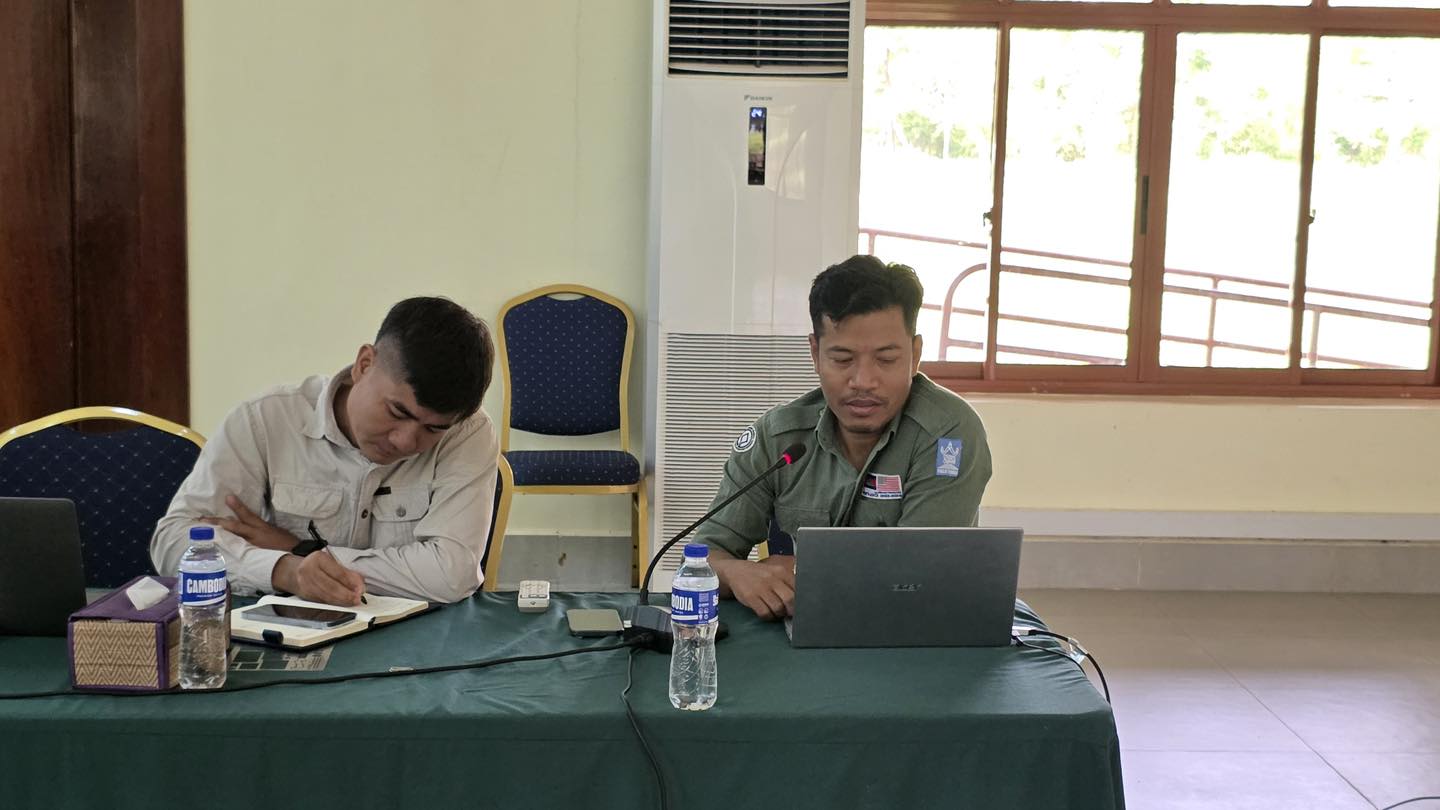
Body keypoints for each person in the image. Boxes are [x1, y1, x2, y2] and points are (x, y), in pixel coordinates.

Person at [697, 255, 992, 620]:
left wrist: (803, 571)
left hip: (910, 631)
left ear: (915, 355)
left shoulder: (947, 434)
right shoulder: (779, 438)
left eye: (886, 359)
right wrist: (737, 572)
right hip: (801, 632)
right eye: (842, 359)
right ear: (815, 353)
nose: (863, 381)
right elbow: (702, 557)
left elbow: (917, 575)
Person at [151, 297, 498, 606]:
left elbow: (452, 574)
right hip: (284, 636)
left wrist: (300, 551)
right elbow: (173, 542)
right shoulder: (265, 420)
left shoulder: (466, 433)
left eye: (433, 429)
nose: (407, 442)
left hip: (417, 642)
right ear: (364, 364)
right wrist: (283, 570)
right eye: (397, 412)